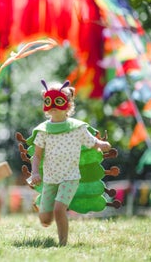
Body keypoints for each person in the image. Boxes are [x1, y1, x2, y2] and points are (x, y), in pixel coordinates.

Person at [28, 80, 111, 246]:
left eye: (58, 101)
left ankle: (63, 244)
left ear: (67, 104)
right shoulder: (43, 130)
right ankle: (47, 216)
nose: (53, 106)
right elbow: (37, 155)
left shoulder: (77, 128)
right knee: (45, 219)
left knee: (59, 209)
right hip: (50, 179)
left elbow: (91, 141)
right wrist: (35, 172)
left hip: (70, 178)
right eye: (48, 101)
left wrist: (101, 145)